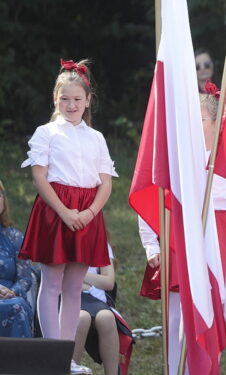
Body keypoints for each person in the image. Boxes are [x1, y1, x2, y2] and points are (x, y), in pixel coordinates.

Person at [19, 59, 117, 375]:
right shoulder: (46, 133)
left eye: (77, 99)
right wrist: (63, 211)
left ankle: (66, 358)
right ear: (55, 99)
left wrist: (89, 213)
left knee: (75, 285)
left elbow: (106, 182)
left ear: (87, 101)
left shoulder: (96, 138)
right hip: (55, 211)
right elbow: (39, 176)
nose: (71, 105)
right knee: (52, 282)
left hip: (87, 214)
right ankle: (52, 354)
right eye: (65, 99)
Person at [138, 80, 226, 375]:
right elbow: (154, 197)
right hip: (180, 244)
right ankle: (172, 369)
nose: (192, 124)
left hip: (215, 248)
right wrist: (152, 244)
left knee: (209, 315)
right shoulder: (178, 159)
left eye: (200, 119)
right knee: (176, 315)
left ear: (216, 123)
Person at [73, 243, 132, 375]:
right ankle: (69, 368)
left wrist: (77, 275)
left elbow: (108, 282)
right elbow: (59, 277)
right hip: (67, 295)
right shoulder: (61, 237)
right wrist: (91, 281)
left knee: (106, 317)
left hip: (93, 295)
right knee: (81, 318)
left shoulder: (101, 243)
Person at [0, 179, 34, 338]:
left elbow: (25, 278)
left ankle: (20, 363)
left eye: (0, 194)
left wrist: (12, 291)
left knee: (17, 307)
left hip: (10, 297)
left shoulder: (15, 237)